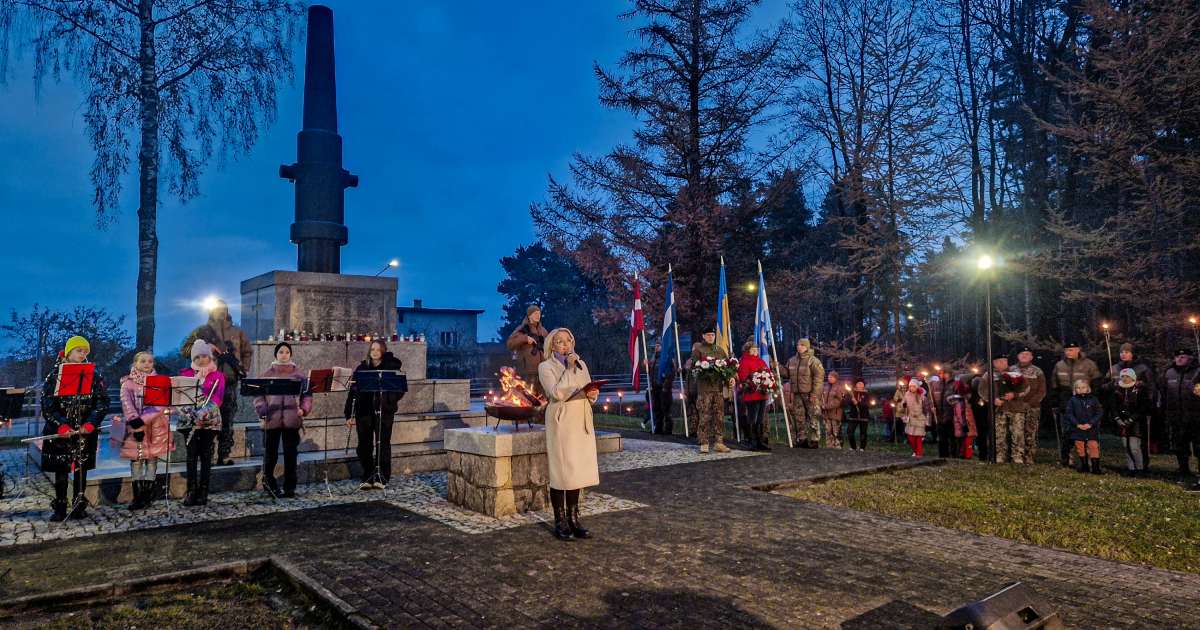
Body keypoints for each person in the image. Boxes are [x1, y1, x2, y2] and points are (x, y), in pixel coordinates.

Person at [538, 327, 601, 541]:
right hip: (561, 420)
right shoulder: (545, 367)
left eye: (568, 341)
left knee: (576, 472)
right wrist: (568, 368)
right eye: (559, 341)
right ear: (551, 345)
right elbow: (556, 393)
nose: (564, 345)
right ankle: (560, 521)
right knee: (561, 471)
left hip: (580, 419)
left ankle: (574, 519)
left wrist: (592, 394)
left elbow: (587, 388)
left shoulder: (581, 364)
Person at [40, 335, 108, 521]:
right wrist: (60, 425)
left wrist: (91, 423)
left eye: (85, 351)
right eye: (79, 350)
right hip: (61, 430)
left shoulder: (94, 375)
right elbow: (47, 405)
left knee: (81, 468)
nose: (82, 354)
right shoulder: (54, 375)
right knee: (61, 469)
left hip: (84, 431)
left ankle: (79, 505)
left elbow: (102, 402)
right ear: (69, 352)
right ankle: (60, 506)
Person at [181, 299, 251, 467]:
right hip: (207, 382)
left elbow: (247, 351)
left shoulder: (237, 332)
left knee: (227, 419)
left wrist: (244, 368)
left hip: (229, 381)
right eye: (218, 308)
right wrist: (205, 346)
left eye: (224, 308)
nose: (221, 311)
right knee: (207, 420)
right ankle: (208, 455)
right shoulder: (201, 331)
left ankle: (224, 454)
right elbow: (185, 350)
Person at [253, 342, 313, 498]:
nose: (284, 355)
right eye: (281, 352)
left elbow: (307, 395)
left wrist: (303, 409)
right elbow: (259, 396)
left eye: (287, 352)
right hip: (271, 419)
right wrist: (262, 409)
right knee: (270, 454)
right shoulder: (267, 374)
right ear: (276, 354)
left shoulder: (299, 375)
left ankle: (290, 487)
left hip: (291, 419)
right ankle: (269, 483)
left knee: (290, 454)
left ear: (291, 354)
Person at [115, 351, 172, 510]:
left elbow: (160, 406)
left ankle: (148, 494)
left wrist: (143, 420)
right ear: (135, 363)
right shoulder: (127, 384)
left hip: (155, 427)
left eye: (150, 361)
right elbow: (126, 403)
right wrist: (135, 421)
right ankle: (137, 496)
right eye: (143, 361)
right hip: (135, 427)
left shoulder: (159, 382)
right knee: (136, 460)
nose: (147, 364)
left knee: (152, 460)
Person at [344, 339, 405, 490]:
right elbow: (353, 393)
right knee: (364, 445)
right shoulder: (362, 368)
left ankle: (382, 477)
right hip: (364, 411)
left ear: (383, 351)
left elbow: (399, 389)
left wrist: (389, 402)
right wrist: (349, 414)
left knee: (382, 444)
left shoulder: (391, 368)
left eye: (378, 349)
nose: (375, 352)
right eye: (372, 349)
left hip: (384, 412)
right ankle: (368, 475)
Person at [178, 340, 226, 507]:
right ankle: (191, 490)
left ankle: (203, 491)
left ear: (210, 356)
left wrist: (203, 412)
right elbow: (179, 398)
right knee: (191, 456)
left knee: (206, 455)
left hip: (209, 421)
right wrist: (189, 413)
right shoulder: (185, 375)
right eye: (197, 357)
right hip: (189, 421)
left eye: (204, 356)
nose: (201, 359)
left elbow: (218, 398)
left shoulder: (218, 376)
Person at [1051, 342, 1101, 467]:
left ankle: (1091, 460)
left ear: (1078, 349)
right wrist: (1055, 403)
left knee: (1088, 433)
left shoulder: (1089, 364)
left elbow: (1096, 384)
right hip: (1065, 403)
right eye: (1067, 350)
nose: (1068, 352)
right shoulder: (1059, 365)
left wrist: (1093, 401)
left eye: (1071, 349)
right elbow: (1054, 386)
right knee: (1067, 433)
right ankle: (1067, 459)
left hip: (1085, 405)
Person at [1106, 342, 1157, 463]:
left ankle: (1142, 464)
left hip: (1138, 409)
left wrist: (1149, 402)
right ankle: (1131, 466)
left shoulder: (1142, 368)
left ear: (1133, 354)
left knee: (1139, 439)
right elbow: (1104, 387)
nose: (1123, 354)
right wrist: (1110, 385)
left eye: (1127, 352)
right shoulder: (1114, 368)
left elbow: (1151, 387)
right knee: (1126, 440)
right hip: (1121, 409)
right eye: (1121, 352)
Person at [686, 327, 731, 454]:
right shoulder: (698, 350)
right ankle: (704, 442)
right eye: (708, 335)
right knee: (704, 416)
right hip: (704, 389)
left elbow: (727, 367)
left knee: (719, 416)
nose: (711, 337)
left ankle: (719, 442)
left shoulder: (720, 350)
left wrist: (730, 378)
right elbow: (694, 369)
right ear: (703, 336)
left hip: (718, 389)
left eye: (712, 335)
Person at [1160, 347, 1200, 488]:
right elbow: (1163, 394)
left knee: (1199, 447)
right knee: (1180, 446)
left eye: (1183, 357)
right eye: (1177, 356)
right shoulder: (1169, 373)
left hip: (1196, 417)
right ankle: (1184, 472)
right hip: (1176, 417)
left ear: (1190, 358)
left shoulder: (1197, 371)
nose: (1179, 359)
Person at [785, 338, 825, 448]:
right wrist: (777, 366)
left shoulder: (813, 361)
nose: (799, 347)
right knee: (799, 416)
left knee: (813, 416)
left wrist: (814, 394)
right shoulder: (792, 360)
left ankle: (814, 440)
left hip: (810, 394)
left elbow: (819, 379)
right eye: (798, 345)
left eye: (802, 345)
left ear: (807, 347)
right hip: (797, 394)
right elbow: (786, 373)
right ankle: (802, 438)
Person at [1111, 368, 1152, 476]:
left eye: (1127, 376)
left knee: (1134, 447)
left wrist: (1132, 419)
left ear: (1133, 377)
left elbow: (1143, 407)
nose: (1125, 379)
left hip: (1136, 422)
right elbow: (1113, 406)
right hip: (1122, 421)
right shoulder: (1117, 389)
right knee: (1126, 446)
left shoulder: (1140, 389)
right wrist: (1117, 418)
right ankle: (1131, 468)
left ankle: (1140, 468)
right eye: (1123, 376)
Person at [506, 305, 549, 397]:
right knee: (528, 397)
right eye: (535, 313)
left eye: (539, 313)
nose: (538, 316)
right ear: (529, 315)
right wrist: (525, 338)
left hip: (543, 370)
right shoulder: (522, 329)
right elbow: (510, 343)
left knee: (543, 397)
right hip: (527, 371)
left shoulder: (543, 331)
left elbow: (550, 346)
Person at [737, 341, 771, 451]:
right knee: (752, 418)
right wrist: (755, 382)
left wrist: (768, 382)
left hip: (762, 394)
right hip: (751, 395)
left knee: (760, 418)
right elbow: (743, 377)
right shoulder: (744, 362)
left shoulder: (760, 361)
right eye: (753, 349)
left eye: (756, 349)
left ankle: (760, 441)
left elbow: (768, 372)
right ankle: (752, 441)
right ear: (748, 350)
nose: (756, 351)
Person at [1066, 379, 1104, 474]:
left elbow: (1099, 412)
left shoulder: (1093, 399)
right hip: (1077, 428)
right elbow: (1069, 414)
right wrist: (1077, 424)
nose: (1081, 389)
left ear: (1088, 388)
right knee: (1080, 447)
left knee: (1093, 446)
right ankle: (1084, 466)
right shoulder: (1072, 400)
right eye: (1078, 388)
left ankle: (1095, 467)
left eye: (1083, 387)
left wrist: (1091, 423)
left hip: (1091, 428)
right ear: (1075, 389)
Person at [895, 378, 933, 457]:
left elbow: (927, 409)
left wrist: (928, 421)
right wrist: (903, 406)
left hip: (920, 419)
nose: (912, 388)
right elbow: (901, 408)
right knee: (911, 438)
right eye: (910, 386)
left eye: (914, 386)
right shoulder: (907, 395)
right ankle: (915, 451)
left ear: (917, 387)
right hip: (911, 420)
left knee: (918, 438)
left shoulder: (922, 396)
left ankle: (919, 453)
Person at [649, 342, 676, 436]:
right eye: (655, 346)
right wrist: (646, 365)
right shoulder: (654, 358)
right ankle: (658, 428)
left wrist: (666, 386)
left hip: (664, 388)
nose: (656, 347)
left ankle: (668, 430)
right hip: (655, 387)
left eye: (658, 346)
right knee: (657, 408)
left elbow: (671, 373)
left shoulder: (667, 358)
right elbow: (651, 372)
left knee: (666, 409)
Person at [947, 380, 977, 459]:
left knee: (963, 442)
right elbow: (960, 414)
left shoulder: (960, 401)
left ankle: (964, 454)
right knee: (966, 442)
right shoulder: (961, 402)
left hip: (964, 425)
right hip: (965, 425)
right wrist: (964, 424)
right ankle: (966, 455)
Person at [819, 371, 846, 448]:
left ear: (836, 378)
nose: (829, 378)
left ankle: (837, 447)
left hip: (835, 414)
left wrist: (826, 406)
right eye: (829, 376)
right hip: (826, 414)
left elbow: (838, 401)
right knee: (828, 431)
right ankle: (829, 447)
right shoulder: (825, 387)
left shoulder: (839, 388)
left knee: (835, 432)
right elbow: (821, 398)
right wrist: (821, 405)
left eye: (831, 377)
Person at [844, 380, 871, 451]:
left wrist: (858, 403)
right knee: (850, 431)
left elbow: (867, 404)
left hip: (864, 416)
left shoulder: (867, 394)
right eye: (858, 383)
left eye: (861, 384)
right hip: (853, 416)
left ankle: (862, 447)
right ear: (856, 385)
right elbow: (847, 401)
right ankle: (853, 446)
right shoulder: (852, 393)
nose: (860, 385)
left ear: (864, 385)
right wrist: (852, 401)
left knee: (863, 433)